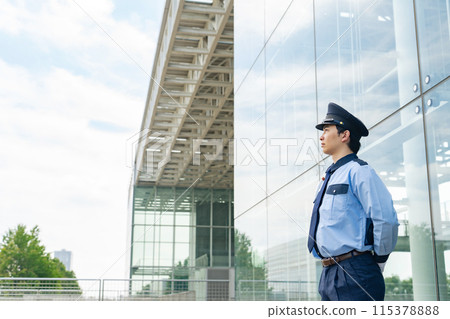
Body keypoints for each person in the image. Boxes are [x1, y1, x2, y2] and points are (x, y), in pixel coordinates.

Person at [307, 102, 399, 301]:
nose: (321, 136)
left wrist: (378, 261)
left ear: (344, 135)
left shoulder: (360, 172)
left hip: (355, 271)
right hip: (329, 273)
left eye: (326, 130)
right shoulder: (328, 177)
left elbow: (386, 220)